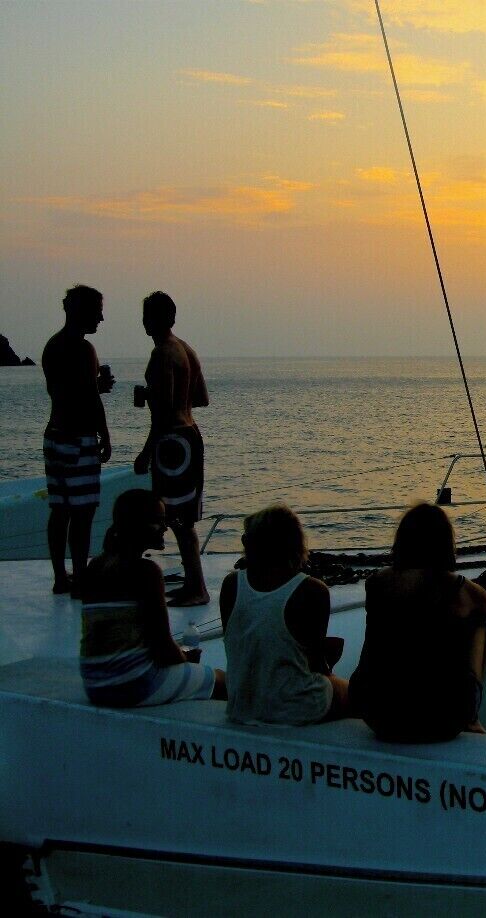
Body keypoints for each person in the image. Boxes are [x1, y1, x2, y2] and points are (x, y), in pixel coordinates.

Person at [349, 503, 486, 742]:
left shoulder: (376, 583)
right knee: (477, 618)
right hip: (440, 720)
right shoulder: (458, 588)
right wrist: (478, 594)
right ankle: (472, 718)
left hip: (378, 716)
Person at [78, 489, 225, 707]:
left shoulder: (95, 567)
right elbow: (163, 647)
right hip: (132, 685)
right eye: (159, 521)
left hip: (95, 685)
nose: (165, 527)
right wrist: (186, 660)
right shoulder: (146, 572)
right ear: (137, 524)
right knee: (224, 681)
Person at [220, 505, 348, 725]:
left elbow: (238, 645)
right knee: (348, 691)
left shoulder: (231, 584)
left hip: (241, 705)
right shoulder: (312, 590)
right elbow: (316, 665)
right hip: (291, 707)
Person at [134, 290, 210, 607]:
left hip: (173, 442)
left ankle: (197, 587)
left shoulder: (162, 354)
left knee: (177, 519)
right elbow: (201, 398)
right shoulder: (186, 350)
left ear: (150, 320)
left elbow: (163, 413)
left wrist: (146, 452)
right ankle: (193, 582)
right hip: (190, 434)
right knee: (182, 518)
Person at [42, 284, 114, 596]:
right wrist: (106, 436)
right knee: (83, 514)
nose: (101, 317)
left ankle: (61, 577)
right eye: (97, 310)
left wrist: (93, 385)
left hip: (55, 436)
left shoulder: (52, 346)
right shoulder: (84, 350)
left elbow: (62, 394)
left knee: (60, 511)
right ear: (81, 311)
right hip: (78, 440)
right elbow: (87, 401)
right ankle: (81, 579)